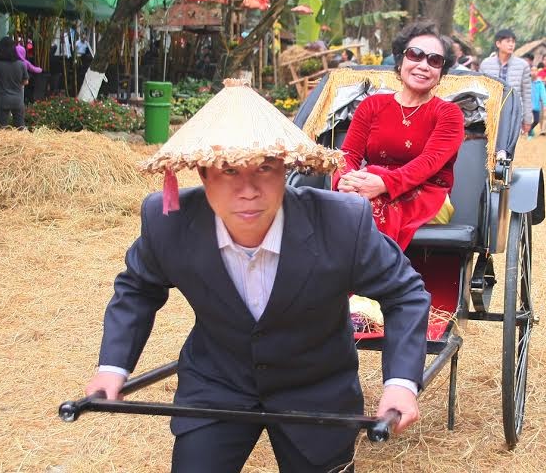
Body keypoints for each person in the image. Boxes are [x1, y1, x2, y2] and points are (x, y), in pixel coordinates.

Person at [84, 79, 431, 472]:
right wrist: (112, 368)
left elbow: (404, 293)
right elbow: (138, 288)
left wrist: (400, 383)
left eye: (265, 168)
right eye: (229, 170)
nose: (248, 190)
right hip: (217, 382)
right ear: (202, 174)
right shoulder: (168, 222)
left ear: (285, 168)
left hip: (316, 388)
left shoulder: (341, 222)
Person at [333, 20, 464, 254]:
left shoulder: (448, 113)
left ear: (441, 73)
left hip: (428, 194)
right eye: (415, 55)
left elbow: (429, 163)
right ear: (401, 60)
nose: (423, 65)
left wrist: (383, 183)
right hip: (369, 186)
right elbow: (349, 155)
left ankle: (371, 286)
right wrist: (344, 180)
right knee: (335, 207)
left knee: (367, 207)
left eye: (434, 60)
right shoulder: (372, 105)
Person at [479, 29, 532, 135]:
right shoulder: (486, 64)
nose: (511, 45)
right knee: (488, 147)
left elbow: (526, 94)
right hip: (490, 113)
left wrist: (528, 119)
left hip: (513, 113)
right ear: (498, 43)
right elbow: (479, 91)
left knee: (508, 149)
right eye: (508, 41)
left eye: (513, 42)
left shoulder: (522, 65)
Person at [0, 36, 29, 130]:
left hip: (2, 99)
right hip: (17, 100)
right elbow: (26, 81)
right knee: (20, 127)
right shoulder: (21, 64)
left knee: (2, 128)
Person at [529, 65, 546, 139]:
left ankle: (530, 129)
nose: (533, 72)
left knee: (536, 120)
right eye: (532, 70)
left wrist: (545, 103)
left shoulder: (540, 83)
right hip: (527, 105)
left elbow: (543, 94)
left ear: (537, 72)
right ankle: (530, 133)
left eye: (535, 70)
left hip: (536, 105)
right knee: (527, 120)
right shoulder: (526, 82)